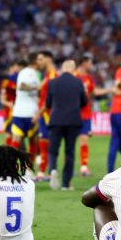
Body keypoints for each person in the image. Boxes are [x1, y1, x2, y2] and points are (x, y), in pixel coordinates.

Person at [45, 60, 87, 190]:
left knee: (53, 149)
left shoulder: (52, 82)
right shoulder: (78, 82)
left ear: (62, 68)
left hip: (56, 120)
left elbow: (48, 104)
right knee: (70, 152)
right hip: (72, 121)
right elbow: (84, 102)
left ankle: (52, 169)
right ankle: (65, 184)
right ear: (73, 69)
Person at [75, 56, 114, 176]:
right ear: (84, 63)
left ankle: (84, 167)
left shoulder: (88, 78)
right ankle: (69, 168)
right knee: (70, 142)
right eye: (90, 63)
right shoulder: (74, 76)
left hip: (86, 114)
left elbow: (95, 92)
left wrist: (110, 90)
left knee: (84, 140)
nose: (91, 65)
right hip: (73, 113)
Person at [34, 51, 58, 181]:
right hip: (45, 114)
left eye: (41, 59)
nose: (39, 62)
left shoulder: (53, 76)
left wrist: (38, 114)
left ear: (48, 59)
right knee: (44, 143)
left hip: (49, 115)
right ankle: (44, 172)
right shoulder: (47, 76)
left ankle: (46, 172)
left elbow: (50, 99)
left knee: (48, 144)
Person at [9, 54, 40, 151]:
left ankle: (26, 164)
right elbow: (21, 86)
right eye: (39, 59)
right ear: (35, 61)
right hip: (25, 112)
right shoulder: (27, 72)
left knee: (31, 139)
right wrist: (37, 88)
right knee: (20, 138)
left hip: (28, 111)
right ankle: (17, 163)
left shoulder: (34, 73)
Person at [0, 63, 19, 147]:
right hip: (10, 112)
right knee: (10, 134)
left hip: (19, 111)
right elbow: (2, 100)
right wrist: (9, 104)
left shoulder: (19, 80)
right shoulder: (6, 83)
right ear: (11, 68)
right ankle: (4, 154)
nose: (17, 69)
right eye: (15, 67)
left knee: (15, 135)